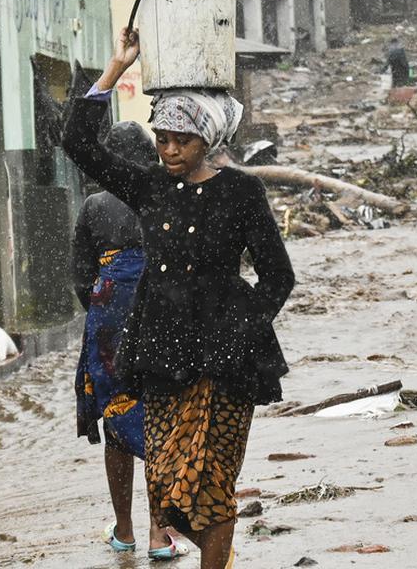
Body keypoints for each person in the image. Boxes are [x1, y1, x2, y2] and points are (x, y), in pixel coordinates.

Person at [63, 29, 295, 569]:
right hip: (161, 355)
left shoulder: (241, 192)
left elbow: (278, 278)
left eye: (181, 142)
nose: (169, 151)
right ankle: (219, 553)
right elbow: (76, 144)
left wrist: (241, 330)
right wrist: (115, 68)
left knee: (209, 481)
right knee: (167, 485)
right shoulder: (149, 187)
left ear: (206, 142)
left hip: (228, 363)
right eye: (162, 139)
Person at [73, 121, 188, 561]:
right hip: (162, 310)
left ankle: (124, 531)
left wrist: (106, 314)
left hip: (108, 319)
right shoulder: (169, 196)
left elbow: (81, 277)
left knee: (117, 417)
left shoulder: (94, 205)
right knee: (162, 413)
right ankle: (161, 534)